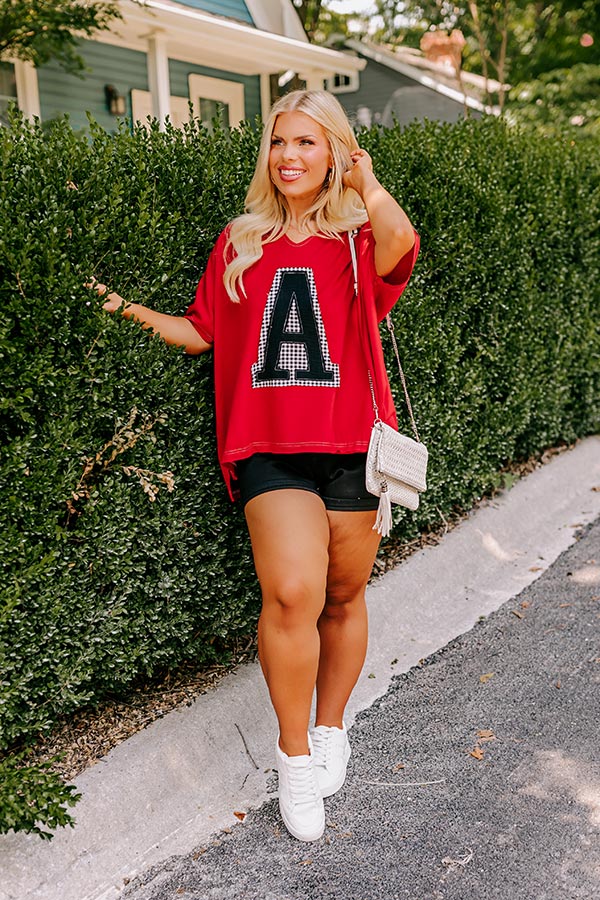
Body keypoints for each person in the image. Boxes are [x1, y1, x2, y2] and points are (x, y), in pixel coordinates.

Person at [87, 89, 419, 843]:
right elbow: (202, 332)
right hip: (266, 447)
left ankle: (333, 727)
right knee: (294, 589)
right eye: (279, 142)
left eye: (307, 142)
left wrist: (366, 181)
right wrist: (117, 309)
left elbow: (403, 237)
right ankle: (295, 758)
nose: (290, 156)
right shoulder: (240, 240)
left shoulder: (355, 239)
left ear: (334, 151)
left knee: (343, 595)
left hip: (352, 446)